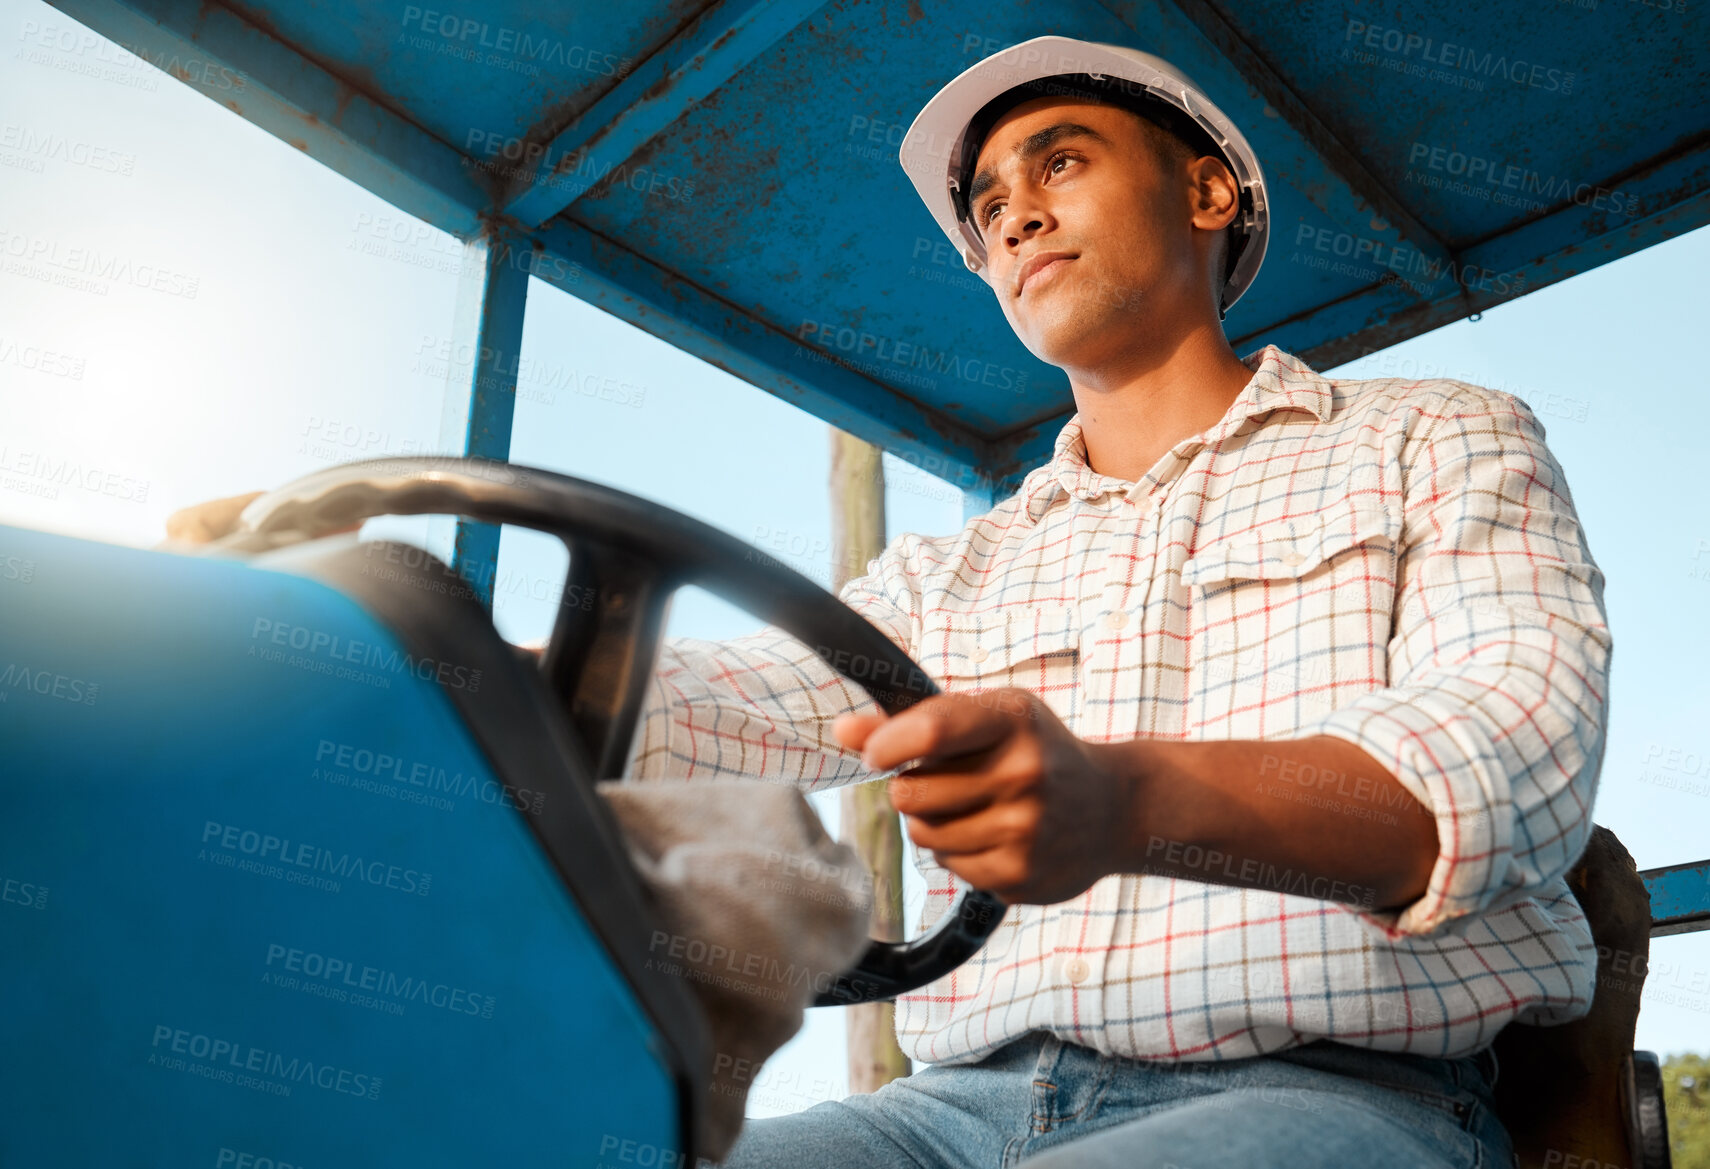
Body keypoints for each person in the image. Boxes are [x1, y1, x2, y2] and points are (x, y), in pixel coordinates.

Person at [624, 36, 1609, 1169]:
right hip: (943, 1114)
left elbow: (1517, 755)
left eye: (1059, 164)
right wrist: (453, 658)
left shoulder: (1433, 434)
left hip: (1335, 1091)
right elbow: (718, 704)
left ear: (1208, 190)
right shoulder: (944, 575)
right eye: (989, 203)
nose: (1013, 218)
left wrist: (1122, 798)